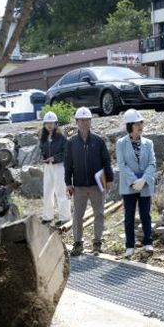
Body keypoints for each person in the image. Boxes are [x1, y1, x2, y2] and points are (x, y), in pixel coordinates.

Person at [64, 107, 114, 256]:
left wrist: (109, 179)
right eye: (81, 120)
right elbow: (68, 164)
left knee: (99, 214)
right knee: (77, 216)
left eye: (87, 120)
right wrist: (68, 183)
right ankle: (78, 243)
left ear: (90, 121)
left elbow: (106, 161)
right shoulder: (71, 142)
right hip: (79, 185)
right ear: (77, 122)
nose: (84, 123)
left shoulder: (99, 141)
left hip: (98, 183)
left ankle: (97, 243)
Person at [116, 109, 156, 258]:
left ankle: (148, 242)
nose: (140, 126)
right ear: (129, 125)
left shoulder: (148, 143)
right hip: (129, 185)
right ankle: (129, 245)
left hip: (145, 184)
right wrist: (134, 181)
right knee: (129, 216)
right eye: (137, 123)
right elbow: (122, 164)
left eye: (141, 123)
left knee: (146, 214)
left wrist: (144, 179)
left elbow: (152, 163)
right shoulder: (121, 143)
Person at [39, 111, 70, 226]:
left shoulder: (61, 137)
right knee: (47, 191)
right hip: (48, 167)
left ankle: (65, 217)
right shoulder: (43, 137)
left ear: (56, 124)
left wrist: (55, 158)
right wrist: (43, 157)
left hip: (59, 166)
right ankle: (48, 216)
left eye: (51, 123)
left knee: (61, 191)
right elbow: (42, 150)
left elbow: (67, 152)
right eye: (47, 123)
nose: (49, 125)